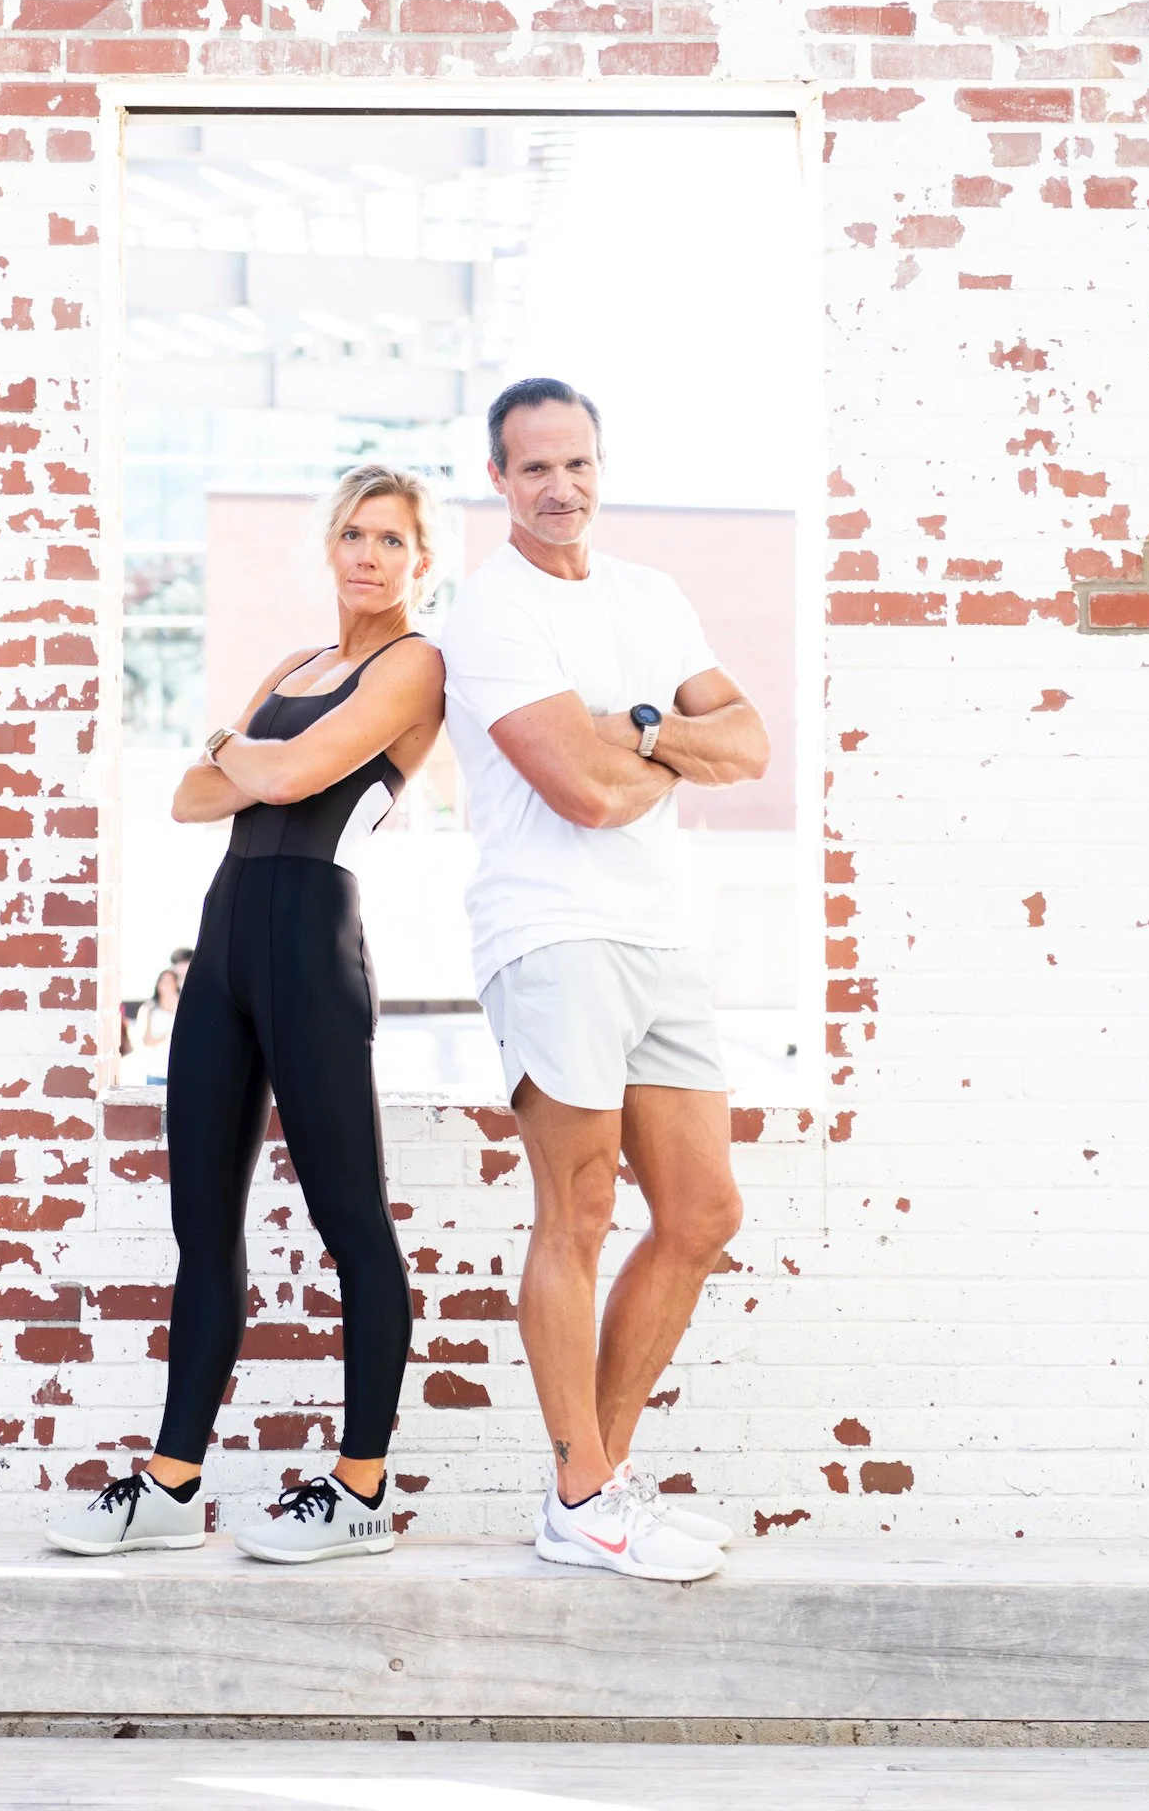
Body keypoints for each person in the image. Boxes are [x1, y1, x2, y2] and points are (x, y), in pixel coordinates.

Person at [47, 465, 445, 1563]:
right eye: (354, 535)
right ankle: (172, 1488)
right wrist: (239, 761)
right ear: (332, 548)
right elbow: (188, 798)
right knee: (200, 1230)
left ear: (423, 561)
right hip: (223, 948)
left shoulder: (416, 667)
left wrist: (234, 754)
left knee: (350, 1224)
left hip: (313, 945)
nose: (369, 555)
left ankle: (360, 1493)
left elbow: (289, 777)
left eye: (393, 540)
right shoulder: (298, 665)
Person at [440, 377, 770, 1584]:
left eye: (576, 464)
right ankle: (583, 1493)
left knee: (701, 1214)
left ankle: (596, 1491)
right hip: (552, 932)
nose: (560, 488)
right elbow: (577, 797)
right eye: (534, 469)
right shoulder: (487, 613)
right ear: (499, 480)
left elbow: (747, 742)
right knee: (576, 1214)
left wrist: (629, 728)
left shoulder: (653, 596)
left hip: (662, 936)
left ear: (600, 465)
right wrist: (661, 754)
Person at [130, 966, 180, 1086]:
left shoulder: (184, 1008)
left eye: (170, 982)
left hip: (181, 1070)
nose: (165, 985)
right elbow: (145, 1040)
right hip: (156, 1070)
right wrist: (166, 1037)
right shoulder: (149, 1009)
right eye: (162, 981)